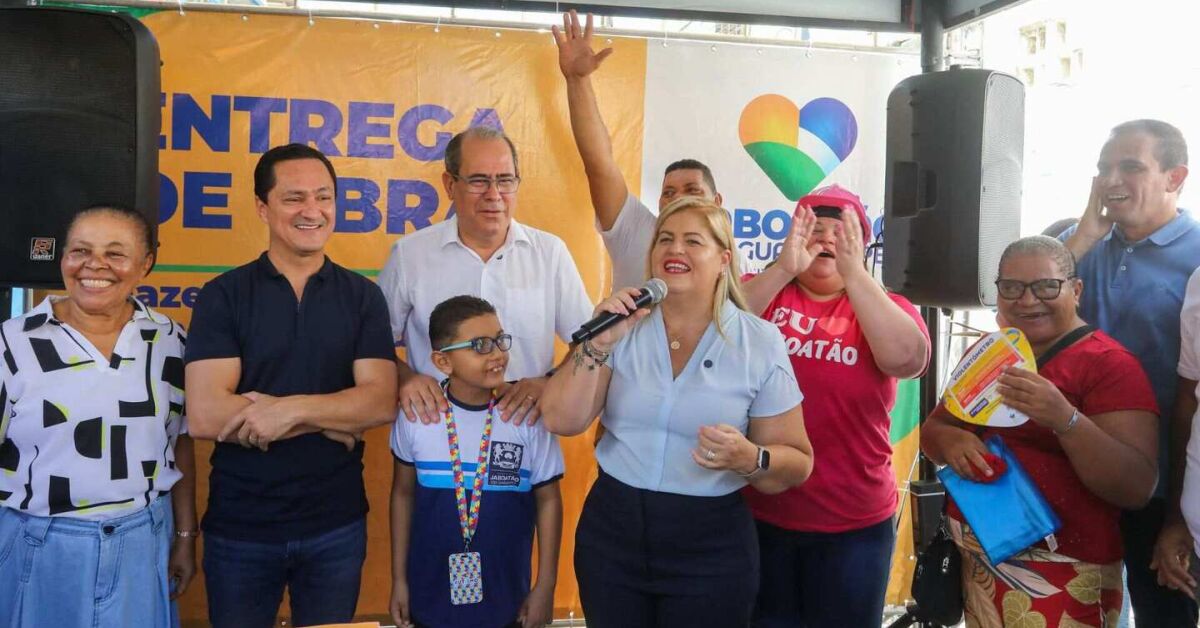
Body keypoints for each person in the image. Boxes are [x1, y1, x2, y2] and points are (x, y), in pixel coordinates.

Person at [541, 196, 815, 627]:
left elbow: (797, 462)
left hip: (710, 545)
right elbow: (562, 419)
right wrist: (597, 345)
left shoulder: (758, 341)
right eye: (664, 239)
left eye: (693, 241)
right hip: (613, 534)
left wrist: (750, 457)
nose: (675, 249)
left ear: (724, 260)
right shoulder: (622, 326)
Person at [184, 144, 398, 628]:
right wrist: (332, 420)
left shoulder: (363, 297)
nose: (312, 210)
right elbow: (206, 414)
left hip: (335, 524)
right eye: (294, 198)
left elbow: (380, 401)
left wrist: (288, 410)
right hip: (241, 526)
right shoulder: (224, 295)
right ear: (263, 207)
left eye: (324, 197)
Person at [922, 235, 1159, 627]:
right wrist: (953, 441)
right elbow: (934, 431)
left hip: (1068, 570)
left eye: (1046, 286)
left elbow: (1136, 487)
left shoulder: (1109, 364)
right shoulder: (990, 353)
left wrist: (1065, 419)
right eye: (1011, 287)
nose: (1028, 300)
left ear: (1076, 290)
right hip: (981, 559)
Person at [739, 185, 930, 627]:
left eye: (841, 232)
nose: (826, 239)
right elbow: (715, 331)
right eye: (814, 228)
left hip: (852, 523)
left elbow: (907, 360)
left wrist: (855, 275)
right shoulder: (763, 292)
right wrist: (784, 269)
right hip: (761, 512)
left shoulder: (888, 306)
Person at [0, 205, 196, 627]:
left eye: (115, 253)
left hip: (143, 544)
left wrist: (185, 536)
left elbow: (179, 443)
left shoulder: (170, 341)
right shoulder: (12, 343)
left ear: (145, 265)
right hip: (37, 544)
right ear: (63, 258)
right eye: (81, 251)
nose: (95, 265)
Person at [1061, 119, 1200, 626]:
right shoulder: (1074, 246)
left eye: (1131, 167)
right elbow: (1012, 317)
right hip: (1074, 470)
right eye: (1104, 168)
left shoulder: (1198, 256)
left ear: (1174, 177)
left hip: (1165, 488)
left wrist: (1179, 512)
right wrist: (1083, 238)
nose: (1111, 180)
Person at [378, 126, 592, 426]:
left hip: (524, 432)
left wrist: (550, 381)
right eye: (479, 181)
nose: (494, 195)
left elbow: (588, 341)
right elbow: (373, 343)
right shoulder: (410, 254)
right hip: (433, 433)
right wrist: (406, 378)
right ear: (450, 185)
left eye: (505, 180)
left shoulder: (549, 253)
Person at [389, 295, 563, 628]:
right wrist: (399, 579)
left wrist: (545, 586)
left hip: (508, 602)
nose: (497, 353)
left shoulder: (526, 418)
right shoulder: (418, 417)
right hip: (429, 598)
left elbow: (549, 501)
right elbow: (403, 494)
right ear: (443, 361)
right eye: (480, 345)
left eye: (499, 340)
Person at [554, 10, 722, 290]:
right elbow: (599, 163)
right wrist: (577, 81)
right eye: (669, 193)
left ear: (717, 202)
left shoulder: (732, 256)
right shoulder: (636, 230)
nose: (678, 198)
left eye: (692, 190)